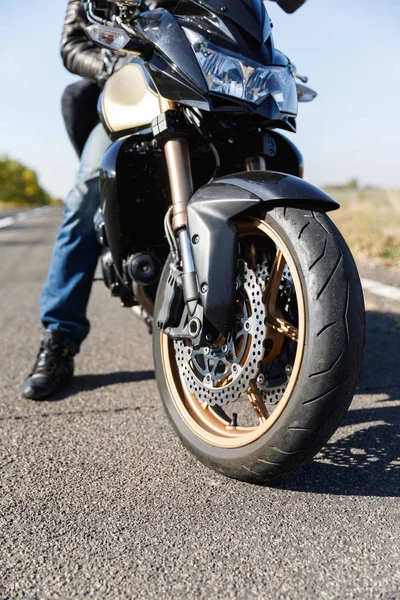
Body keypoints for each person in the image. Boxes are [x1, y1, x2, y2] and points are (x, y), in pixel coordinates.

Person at [21, 0, 177, 400]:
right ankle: (60, 337)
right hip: (130, 91)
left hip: (198, 79)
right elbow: (72, 42)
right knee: (87, 195)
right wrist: (116, 68)